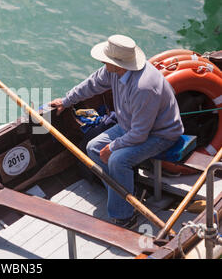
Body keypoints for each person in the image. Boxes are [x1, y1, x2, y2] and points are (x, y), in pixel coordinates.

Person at [49, 34, 184, 228]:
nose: (103, 61)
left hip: (160, 134)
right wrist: (67, 100)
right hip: (129, 125)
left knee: (118, 160)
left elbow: (140, 134)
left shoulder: (144, 87)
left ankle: (124, 216)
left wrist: (112, 147)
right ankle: (129, 194)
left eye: (106, 59)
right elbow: (92, 84)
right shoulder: (113, 71)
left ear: (118, 63)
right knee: (93, 147)